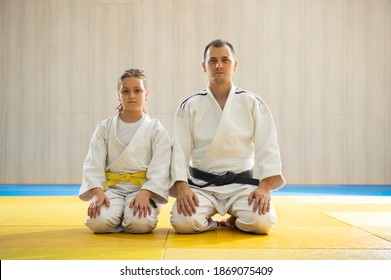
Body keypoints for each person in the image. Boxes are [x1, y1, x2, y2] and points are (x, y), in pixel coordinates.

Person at [170, 39, 285, 234]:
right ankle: (213, 223)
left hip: (241, 186)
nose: (219, 65)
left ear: (235, 64)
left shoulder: (252, 103)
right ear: (204, 66)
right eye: (212, 60)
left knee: (263, 222)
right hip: (201, 186)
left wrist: (264, 187)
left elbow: (268, 146)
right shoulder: (190, 105)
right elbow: (179, 150)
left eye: (225, 60)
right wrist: (182, 187)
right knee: (183, 222)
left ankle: (235, 220)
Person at [79, 68, 171, 234]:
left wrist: (146, 193)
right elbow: (93, 163)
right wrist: (98, 193)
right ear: (119, 94)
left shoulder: (155, 129)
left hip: (142, 189)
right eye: (125, 91)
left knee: (140, 224)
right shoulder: (104, 128)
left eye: (137, 91)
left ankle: (125, 218)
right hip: (111, 189)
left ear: (146, 94)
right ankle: (118, 216)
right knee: (97, 223)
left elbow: (162, 167)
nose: (132, 96)